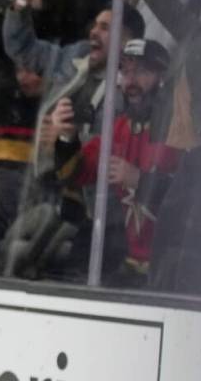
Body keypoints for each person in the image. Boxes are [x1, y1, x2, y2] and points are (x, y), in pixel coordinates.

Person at [51, 38, 179, 286]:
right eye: (126, 72)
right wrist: (67, 136)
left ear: (163, 77)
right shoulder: (119, 129)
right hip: (131, 266)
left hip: (172, 267)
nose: (131, 81)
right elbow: (74, 173)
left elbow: (192, 198)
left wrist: (140, 180)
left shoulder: (179, 129)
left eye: (142, 72)